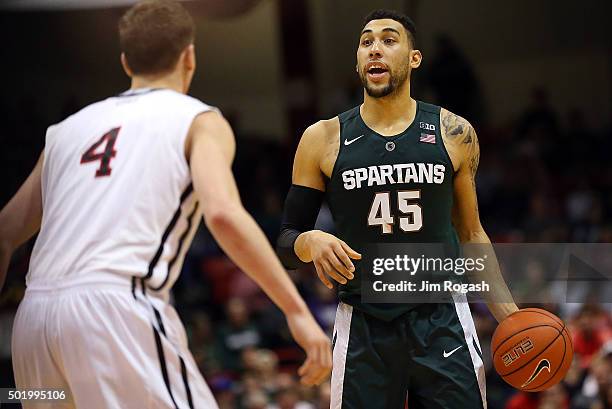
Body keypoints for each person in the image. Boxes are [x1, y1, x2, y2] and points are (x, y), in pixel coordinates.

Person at [0, 1, 331, 408]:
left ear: (125, 62)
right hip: (117, 307)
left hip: (32, 321)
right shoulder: (198, 119)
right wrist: (295, 310)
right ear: (189, 57)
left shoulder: (65, 131)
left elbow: (5, 232)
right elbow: (223, 214)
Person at [277, 9, 518, 409]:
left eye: (389, 40)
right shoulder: (321, 138)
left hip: (441, 317)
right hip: (363, 322)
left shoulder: (454, 132)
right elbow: (287, 241)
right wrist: (310, 240)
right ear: (357, 60)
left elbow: (472, 234)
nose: (375, 49)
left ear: (413, 58)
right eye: (366, 41)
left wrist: (509, 315)